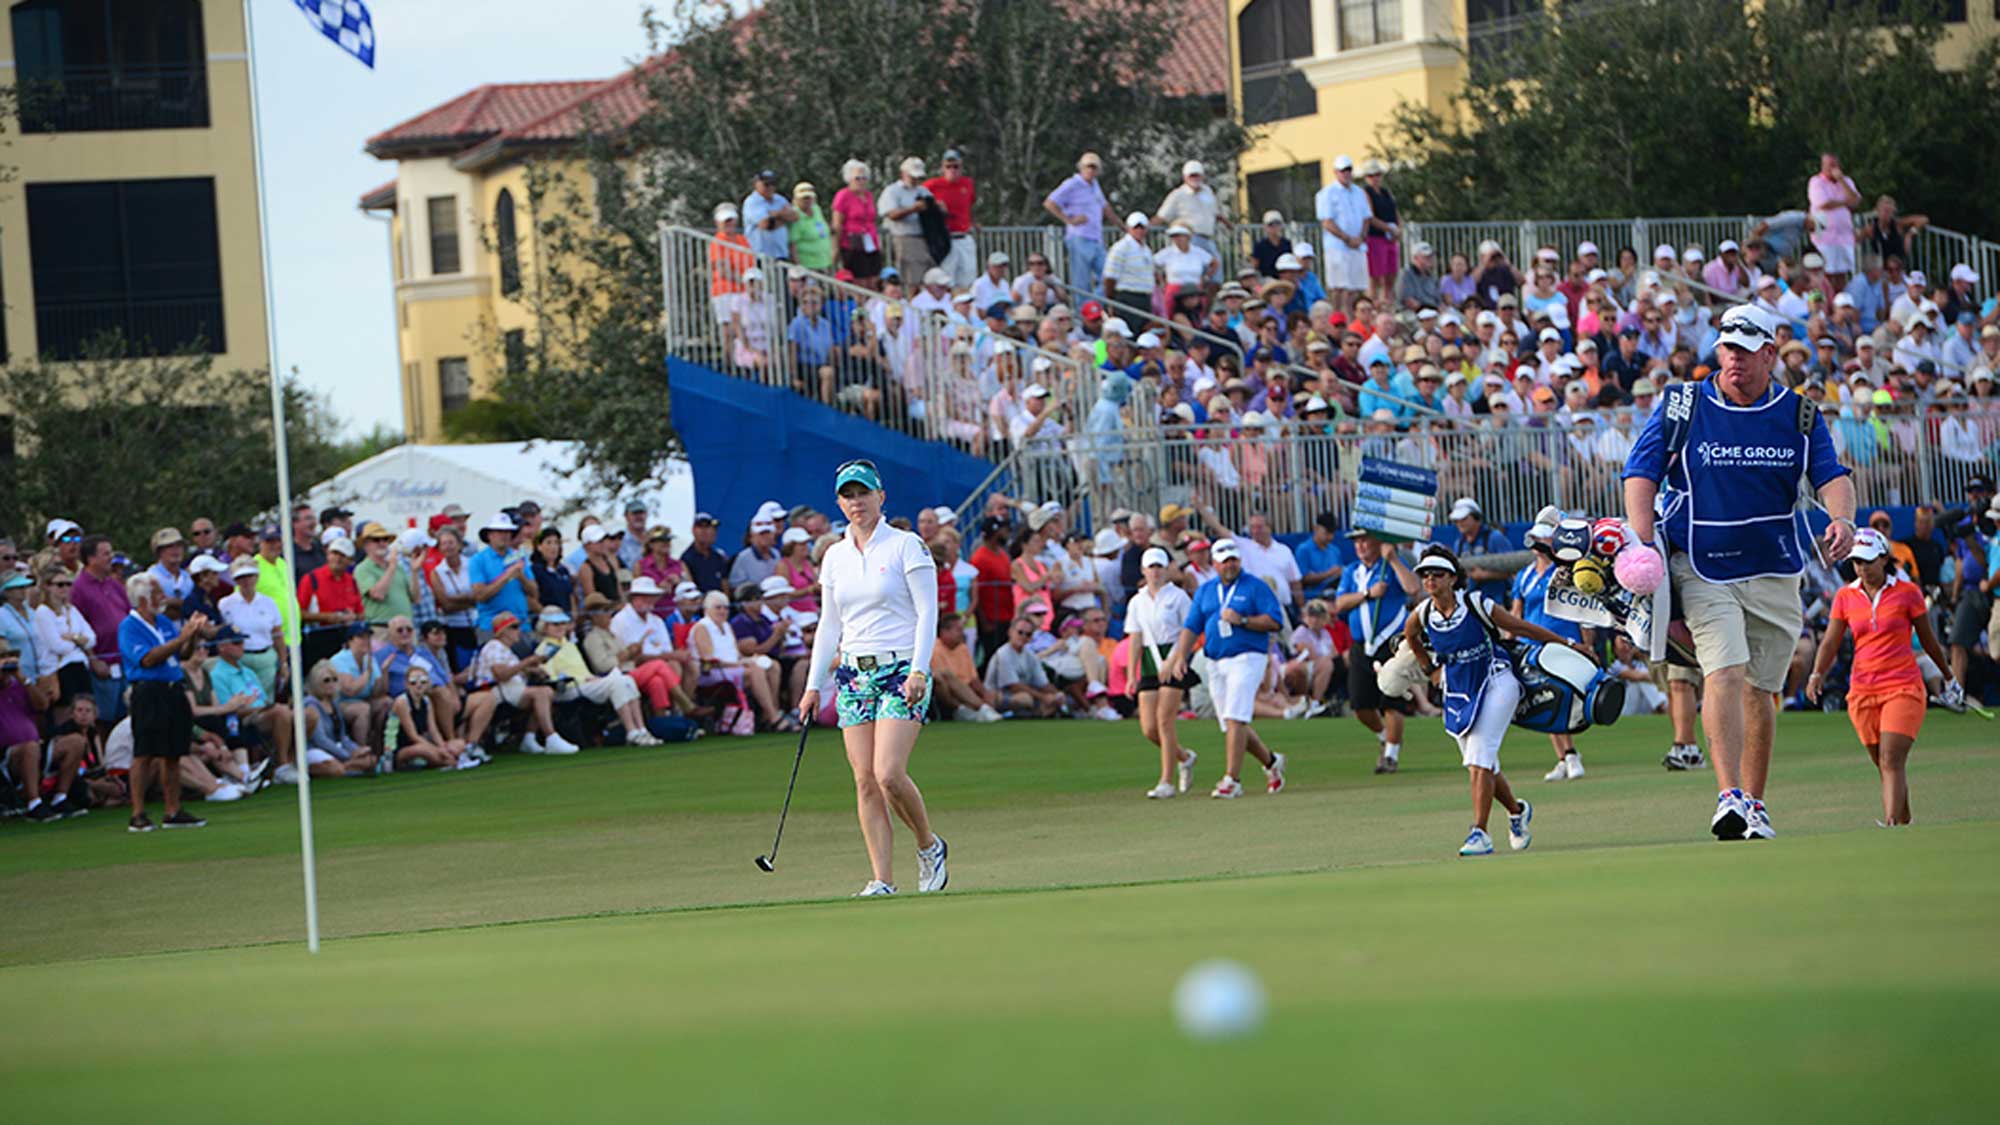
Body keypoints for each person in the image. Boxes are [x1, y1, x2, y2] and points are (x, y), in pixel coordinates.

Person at [1623, 304, 1855, 842]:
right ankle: (1728, 798)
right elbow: (1641, 472)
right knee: (1723, 671)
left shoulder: (1799, 413)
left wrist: (1841, 519)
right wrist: (1643, 544)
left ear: (1770, 355)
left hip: (1775, 569)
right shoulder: (1684, 402)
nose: (1733, 360)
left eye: (1745, 351)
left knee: (1761, 689)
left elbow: (1831, 476)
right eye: (1726, 348)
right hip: (1702, 565)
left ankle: (1755, 803)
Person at [798, 460, 948, 897]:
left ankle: (928, 846)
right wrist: (812, 685)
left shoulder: (906, 546)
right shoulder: (835, 555)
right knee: (864, 778)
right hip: (853, 674)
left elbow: (927, 614)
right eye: (848, 495)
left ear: (880, 496)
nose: (856, 502)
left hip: (902, 668)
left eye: (863, 493)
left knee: (888, 773)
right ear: (839, 502)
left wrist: (920, 668)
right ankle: (882, 878)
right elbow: (830, 625)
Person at [1403, 547, 1589, 856]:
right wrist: (1430, 670)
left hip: (1497, 680)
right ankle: (1517, 812)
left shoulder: (1477, 604)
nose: (1430, 579)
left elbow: (1523, 628)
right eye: (1425, 574)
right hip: (1460, 690)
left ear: (1452, 578)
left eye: (1437, 574)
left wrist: (1570, 644)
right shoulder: (1423, 613)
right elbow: (1410, 636)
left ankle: (1480, 833)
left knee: (1479, 758)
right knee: (1482, 763)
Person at [1807, 529, 1960, 827]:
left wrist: (1949, 676)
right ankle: (1905, 822)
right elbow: (1830, 641)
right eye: (1857, 563)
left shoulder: (1908, 593)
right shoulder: (1845, 596)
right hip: (1862, 691)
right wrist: (1817, 673)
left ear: (1884, 559)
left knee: (1891, 758)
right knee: (1885, 763)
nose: (1862, 568)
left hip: (1903, 686)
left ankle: (1890, 824)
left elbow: (1928, 640)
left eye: (1868, 561)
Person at [1160, 538, 1287, 799]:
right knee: (1231, 722)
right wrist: (1180, 657)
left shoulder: (1255, 586)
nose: (1230, 564)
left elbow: (1275, 621)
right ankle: (1271, 762)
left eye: (1234, 559)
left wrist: (1242, 620)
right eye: (1224, 560)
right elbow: (1192, 626)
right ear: (1215, 563)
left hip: (1248, 656)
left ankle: (1232, 779)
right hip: (1215, 660)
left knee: (1235, 717)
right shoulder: (1207, 591)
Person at [119, 574, 210, 832]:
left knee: (173, 752)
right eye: (158, 593)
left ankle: (173, 810)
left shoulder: (163, 622)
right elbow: (147, 659)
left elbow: (183, 652)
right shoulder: (129, 626)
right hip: (148, 691)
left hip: (172, 688)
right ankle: (137, 813)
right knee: (144, 752)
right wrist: (181, 638)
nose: (163, 598)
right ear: (144, 598)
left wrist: (191, 635)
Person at [1508, 516, 1590, 783]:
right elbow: (1516, 613)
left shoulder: (1565, 571)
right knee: (1544, 700)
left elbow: (1582, 610)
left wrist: (1588, 643)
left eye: (1541, 538)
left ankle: (1570, 755)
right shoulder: (1525, 575)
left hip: (1564, 641)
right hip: (1532, 646)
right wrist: (1508, 642)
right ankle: (1565, 757)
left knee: (1560, 697)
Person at [1333, 531, 1419, 773]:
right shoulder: (1352, 571)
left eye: (1364, 540)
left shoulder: (1392, 565)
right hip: (1362, 645)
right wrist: (1367, 594)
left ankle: (1391, 754)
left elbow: (1413, 587)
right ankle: (1384, 736)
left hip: (1390, 642)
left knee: (1392, 700)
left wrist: (1392, 559)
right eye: (1356, 542)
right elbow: (1339, 603)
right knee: (1360, 704)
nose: (1360, 546)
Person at [1123, 547, 1199, 799]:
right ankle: (1184, 757)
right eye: (1151, 567)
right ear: (1144, 571)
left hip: (1173, 657)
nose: (1155, 572)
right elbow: (1135, 637)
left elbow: (1188, 631)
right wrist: (1132, 674)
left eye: (1159, 567)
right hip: (1148, 659)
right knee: (1149, 728)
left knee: (1165, 721)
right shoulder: (1137, 601)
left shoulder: (1177, 597)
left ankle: (1166, 780)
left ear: (1166, 569)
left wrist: (1176, 659)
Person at [532, 607, 662, 747]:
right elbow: (550, 676)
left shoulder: (569, 645)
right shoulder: (544, 649)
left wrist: (591, 678)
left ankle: (641, 730)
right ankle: (631, 731)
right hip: (569, 688)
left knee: (627, 679)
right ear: (545, 627)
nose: (560, 627)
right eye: (555, 624)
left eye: (562, 623)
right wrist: (581, 679)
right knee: (617, 683)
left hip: (587, 683)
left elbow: (582, 670)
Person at [466, 612, 578, 756]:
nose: (519, 630)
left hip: (512, 689)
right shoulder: (494, 646)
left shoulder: (506, 650)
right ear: (503, 631)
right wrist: (527, 662)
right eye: (514, 627)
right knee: (543, 693)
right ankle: (550, 737)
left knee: (546, 691)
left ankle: (530, 739)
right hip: (497, 690)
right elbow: (501, 674)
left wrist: (532, 670)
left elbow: (512, 670)